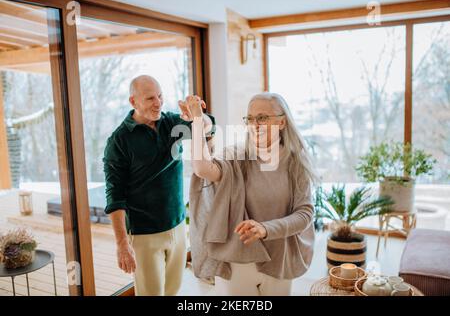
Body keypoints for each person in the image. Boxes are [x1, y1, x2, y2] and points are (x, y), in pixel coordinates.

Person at [182, 92, 316, 296]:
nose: (255, 124)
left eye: (262, 117)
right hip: (237, 259)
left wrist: (265, 229)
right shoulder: (235, 156)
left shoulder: (295, 162)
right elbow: (202, 168)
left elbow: (305, 213)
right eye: (250, 118)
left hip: (280, 257)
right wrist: (198, 121)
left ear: (281, 122)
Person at [103, 75, 214, 296]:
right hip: (144, 235)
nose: (158, 103)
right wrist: (122, 244)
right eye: (150, 98)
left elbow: (209, 128)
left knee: (173, 290)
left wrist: (198, 116)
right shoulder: (119, 141)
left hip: (178, 225)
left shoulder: (171, 123)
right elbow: (114, 195)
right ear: (133, 101)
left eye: (160, 96)